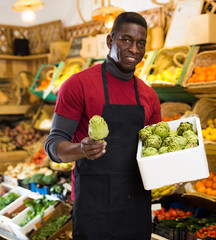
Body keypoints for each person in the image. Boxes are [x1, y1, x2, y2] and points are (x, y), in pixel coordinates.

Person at [45, 12, 161, 240]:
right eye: (125, 40)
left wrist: (177, 165)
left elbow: (155, 154)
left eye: (141, 43)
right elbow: (53, 146)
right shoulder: (77, 85)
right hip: (94, 208)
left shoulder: (149, 96)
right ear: (110, 41)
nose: (134, 49)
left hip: (136, 207)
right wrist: (81, 149)